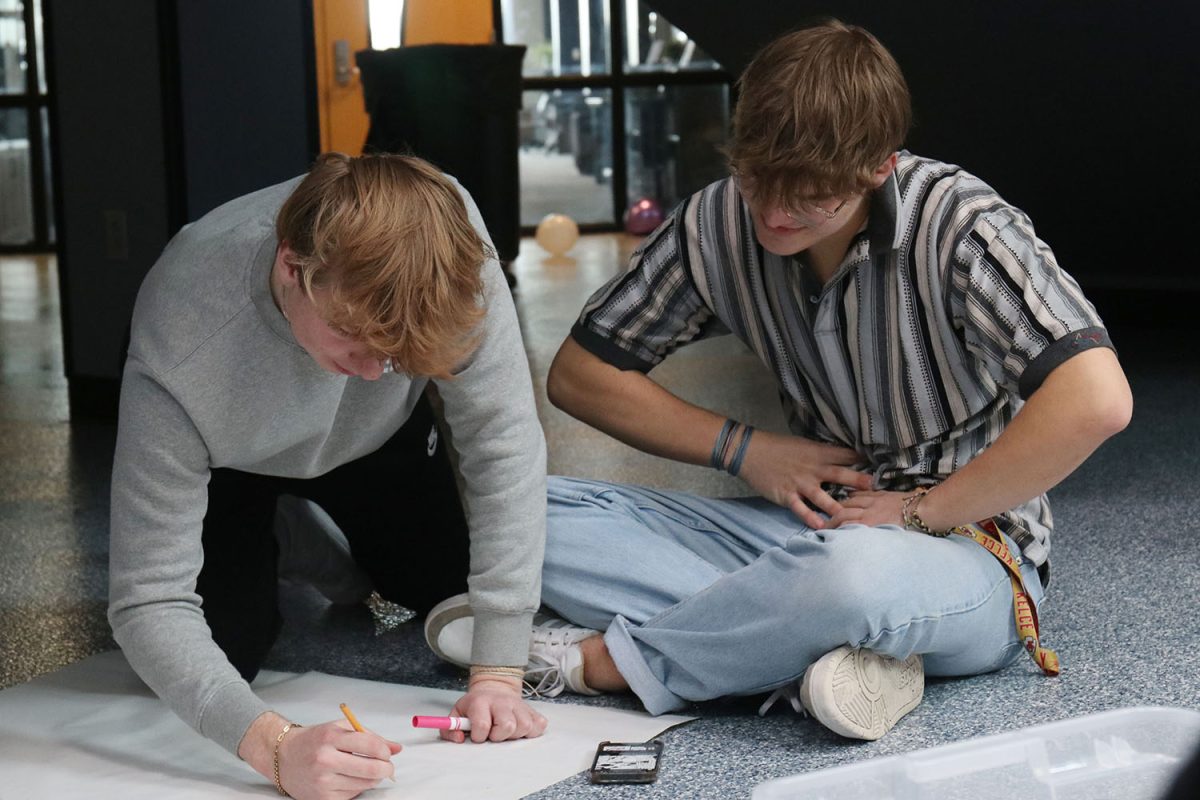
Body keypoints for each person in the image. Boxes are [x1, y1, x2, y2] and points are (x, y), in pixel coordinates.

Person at [425, 20, 1132, 742]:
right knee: (513, 513)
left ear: (880, 166)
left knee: (853, 581)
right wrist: (745, 449)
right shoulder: (718, 222)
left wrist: (921, 511)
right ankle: (815, 655)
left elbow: (1098, 400)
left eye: (809, 195)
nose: (771, 212)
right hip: (808, 529)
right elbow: (580, 375)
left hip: (969, 550)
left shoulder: (962, 225)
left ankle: (605, 662)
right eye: (757, 177)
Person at [108, 153, 548, 799]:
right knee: (227, 650)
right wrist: (276, 747)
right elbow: (147, 600)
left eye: (392, 350)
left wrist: (499, 674)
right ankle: (279, 530)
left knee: (442, 589)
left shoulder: (447, 242)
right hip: (232, 455)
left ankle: (306, 531)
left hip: (377, 438)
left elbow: (502, 439)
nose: (375, 371)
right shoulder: (181, 339)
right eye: (355, 337)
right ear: (292, 267)